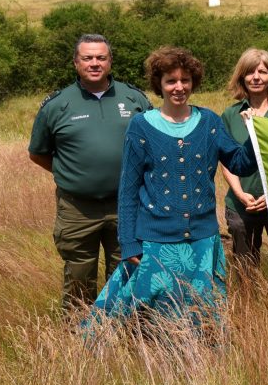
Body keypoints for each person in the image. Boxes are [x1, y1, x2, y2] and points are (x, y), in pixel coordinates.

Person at [91, 46, 259, 326]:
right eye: (171, 81)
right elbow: (129, 191)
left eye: (185, 80)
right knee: (148, 315)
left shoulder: (209, 122)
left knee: (202, 316)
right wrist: (129, 243)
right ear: (160, 84)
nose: (179, 87)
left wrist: (254, 134)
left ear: (194, 82)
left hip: (202, 241)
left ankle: (202, 366)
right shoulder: (141, 126)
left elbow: (241, 164)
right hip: (155, 240)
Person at [28, 34, 152, 311]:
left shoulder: (135, 99)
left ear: (110, 62)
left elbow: (152, 147)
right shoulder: (57, 105)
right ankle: (79, 336)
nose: (94, 63)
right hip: (77, 209)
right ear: (75, 63)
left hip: (127, 206)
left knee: (127, 270)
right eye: (87, 58)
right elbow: (38, 153)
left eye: (101, 57)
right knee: (79, 275)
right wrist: (74, 176)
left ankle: (126, 332)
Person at [220, 48, 268, 270]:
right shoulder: (230, 115)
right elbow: (226, 161)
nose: (256, 77)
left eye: (263, 72)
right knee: (245, 266)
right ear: (241, 77)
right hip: (241, 202)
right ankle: (249, 302)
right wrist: (240, 194)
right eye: (250, 72)